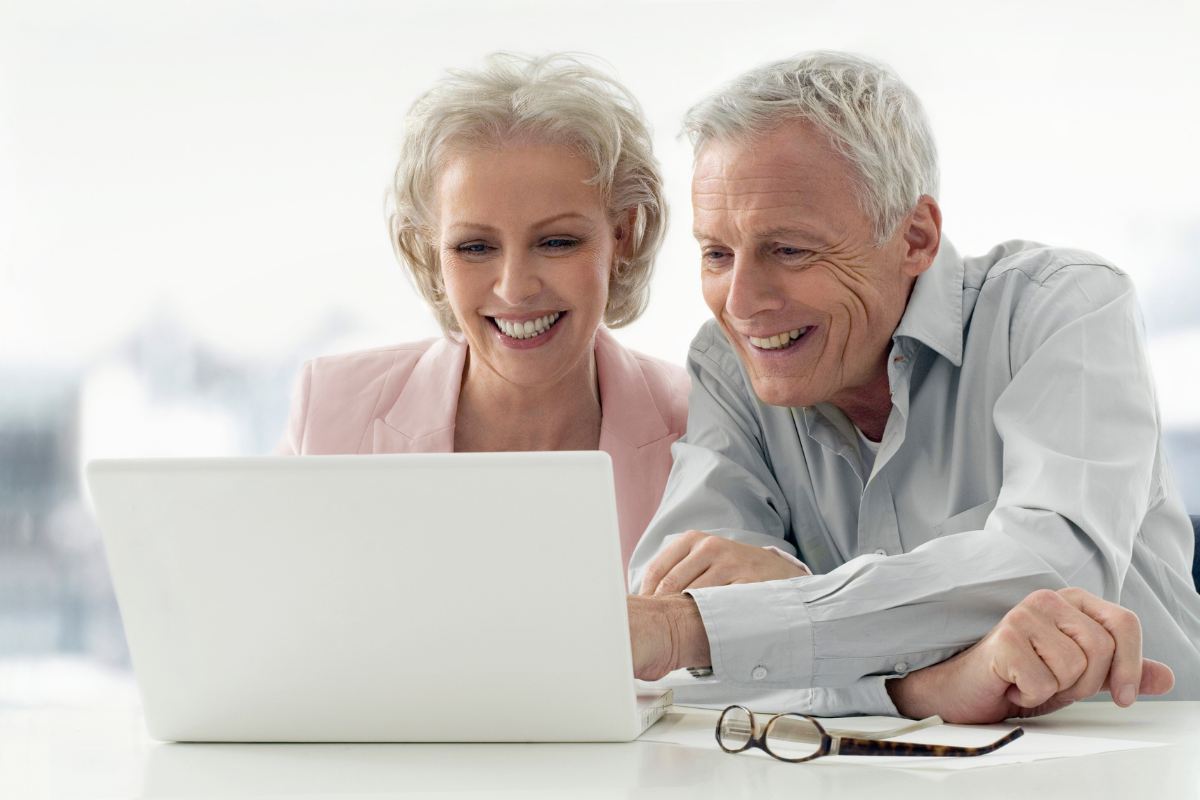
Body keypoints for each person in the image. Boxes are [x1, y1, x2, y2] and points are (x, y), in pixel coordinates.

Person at [625, 51, 1196, 722]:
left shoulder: (1064, 308)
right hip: (857, 768)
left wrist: (728, 623)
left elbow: (1050, 568)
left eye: (790, 250)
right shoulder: (729, 362)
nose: (743, 303)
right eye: (717, 253)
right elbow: (685, 663)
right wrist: (916, 690)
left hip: (1137, 753)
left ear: (915, 237)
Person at [277, 53, 688, 572]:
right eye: (474, 247)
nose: (515, 289)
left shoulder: (702, 429)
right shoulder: (332, 414)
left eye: (557, 241)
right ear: (428, 251)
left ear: (624, 234)